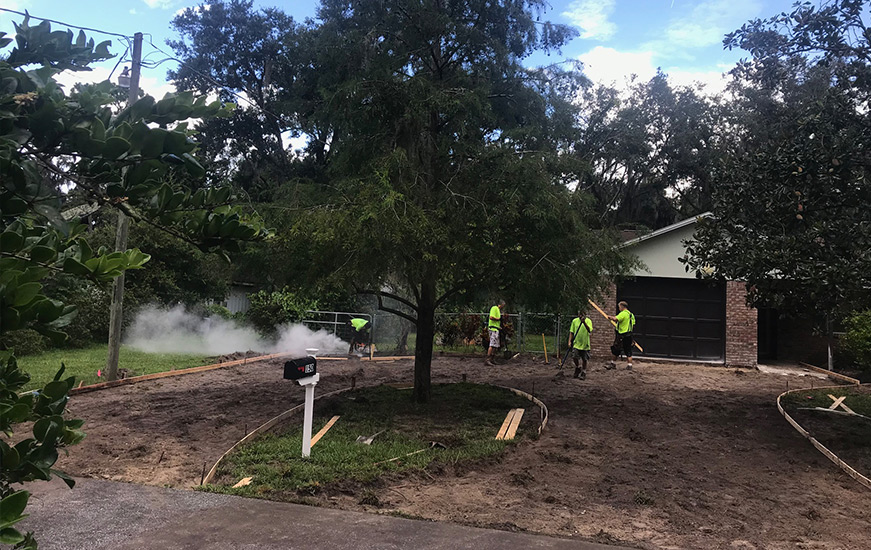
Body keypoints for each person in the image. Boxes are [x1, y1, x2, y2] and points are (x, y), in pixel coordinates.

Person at [607, 301, 635, 370]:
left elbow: (615, 319)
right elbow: (633, 324)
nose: (619, 308)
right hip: (629, 335)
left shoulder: (623, 314)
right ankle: (629, 365)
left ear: (622, 306)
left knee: (616, 349)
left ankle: (613, 363)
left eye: (619, 307)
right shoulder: (631, 315)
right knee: (628, 350)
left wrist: (610, 317)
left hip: (622, 335)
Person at [568, 310, 593, 379]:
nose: (580, 316)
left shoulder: (588, 321)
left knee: (584, 359)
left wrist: (584, 322)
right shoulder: (575, 321)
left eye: (582, 315)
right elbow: (571, 332)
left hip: (585, 343)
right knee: (574, 356)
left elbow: (589, 330)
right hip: (576, 343)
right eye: (579, 314)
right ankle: (578, 367)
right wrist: (569, 341)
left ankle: (584, 372)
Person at [485, 300, 505, 366]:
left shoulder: (498, 310)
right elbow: (491, 317)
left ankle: (492, 359)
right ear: (501, 304)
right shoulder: (494, 308)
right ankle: (487, 359)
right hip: (493, 329)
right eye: (503, 305)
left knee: (496, 345)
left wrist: (499, 327)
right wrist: (498, 319)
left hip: (496, 328)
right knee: (492, 344)